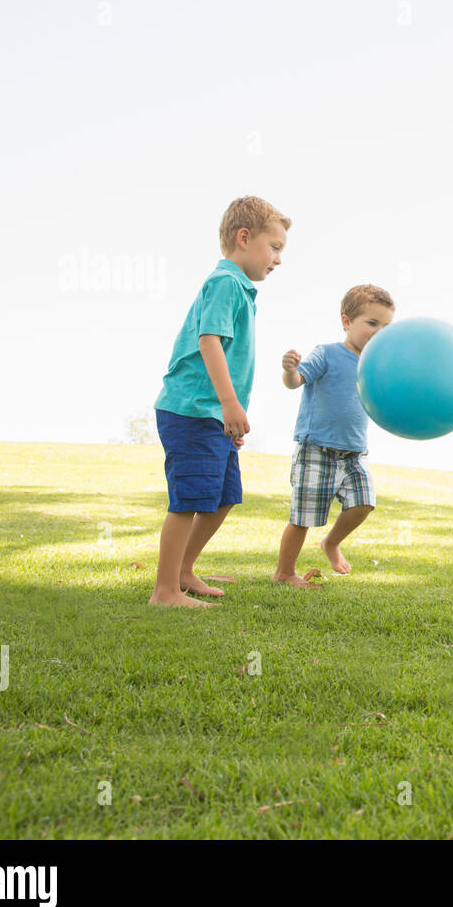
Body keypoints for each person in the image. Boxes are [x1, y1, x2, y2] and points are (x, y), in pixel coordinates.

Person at [148, 196, 290, 607]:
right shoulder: (225, 283)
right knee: (188, 500)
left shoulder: (240, 289)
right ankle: (165, 591)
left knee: (224, 496)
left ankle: (184, 571)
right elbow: (208, 341)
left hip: (213, 415)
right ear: (244, 238)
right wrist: (229, 404)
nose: (278, 259)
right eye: (275, 247)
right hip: (191, 409)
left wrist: (228, 416)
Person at [272, 284, 395, 588]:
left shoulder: (378, 366)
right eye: (372, 323)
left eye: (386, 327)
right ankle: (284, 573)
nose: (379, 332)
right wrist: (290, 370)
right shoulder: (326, 353)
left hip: (354, 452)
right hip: (317, 449)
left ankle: (331, 543)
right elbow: (296, 380)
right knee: (303, 517)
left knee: (364, 503)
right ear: (346, 321)